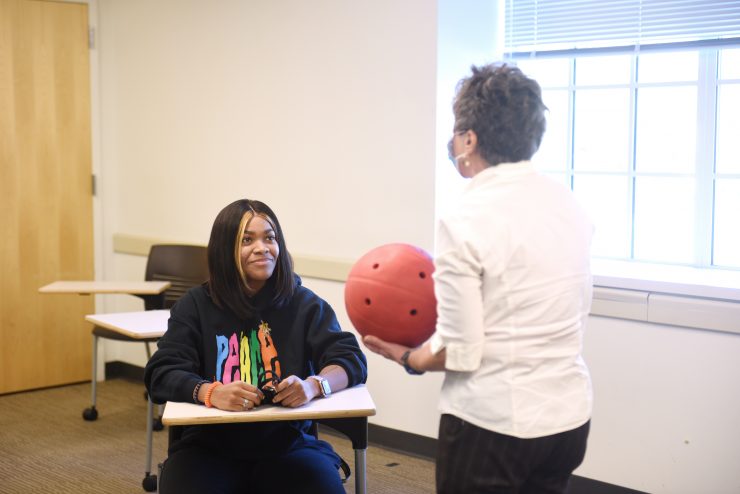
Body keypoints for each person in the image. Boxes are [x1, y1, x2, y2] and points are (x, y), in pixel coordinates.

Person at [363, 63, 594, 494]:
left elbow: (460, 350)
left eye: (455, 133)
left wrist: (407, 357)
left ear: (469, 138)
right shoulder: (570, 205)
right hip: (568, 420)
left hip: (495, 424)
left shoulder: (467, 216)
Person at [145, 199, 367, 494]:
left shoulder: (304, 304)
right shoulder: (195, 306)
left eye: (270, 237)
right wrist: (211, 392)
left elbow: (350, 359)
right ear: (225, 250)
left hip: (287, 445)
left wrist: (315, 385)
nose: (262, 247)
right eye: (247, 240)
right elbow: (161, 372)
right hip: (209, 448)